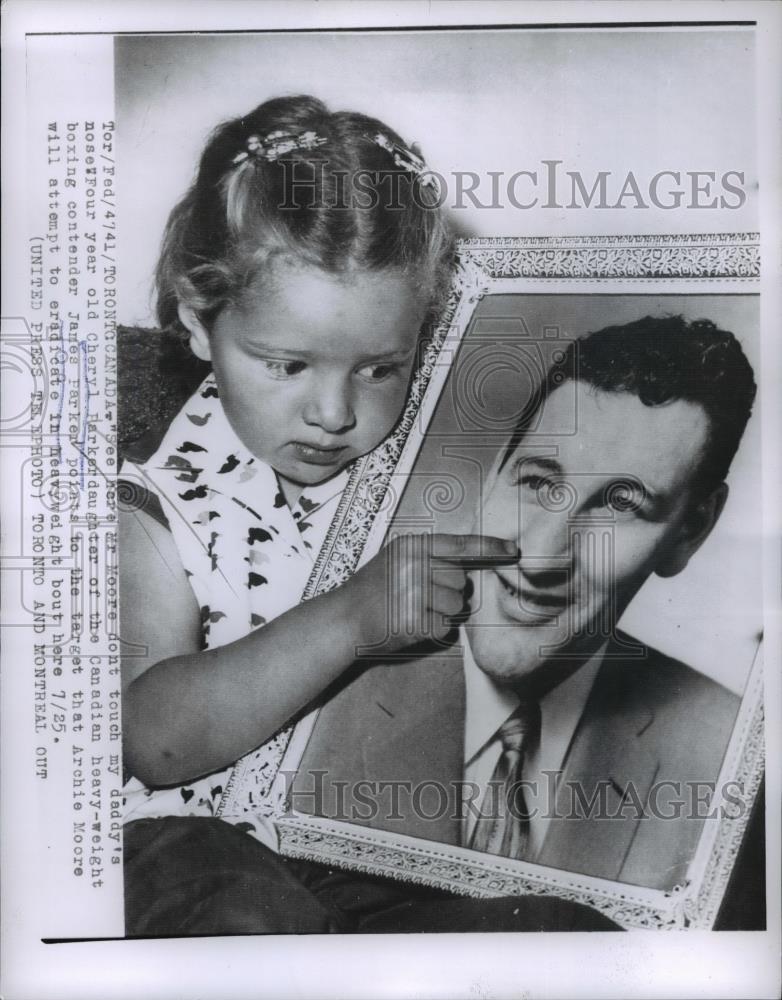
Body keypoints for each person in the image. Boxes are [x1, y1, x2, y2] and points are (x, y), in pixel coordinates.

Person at [120, 94, 542, 934]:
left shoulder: (416, 472)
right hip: (186, 851)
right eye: (288, 364)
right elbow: (151, 740)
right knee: (242, 909)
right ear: (197, 317)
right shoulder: (148, 509)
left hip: (366, 854)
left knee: (554, 928)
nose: (335, 413)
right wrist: (350, 618)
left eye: (380, 369)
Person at [291, 315, 760, 907]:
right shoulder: (310, 682)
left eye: (620, 503)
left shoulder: (735, 761)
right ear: (494, 475)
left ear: (690, 531)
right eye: (538, 481)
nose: (539, 557)